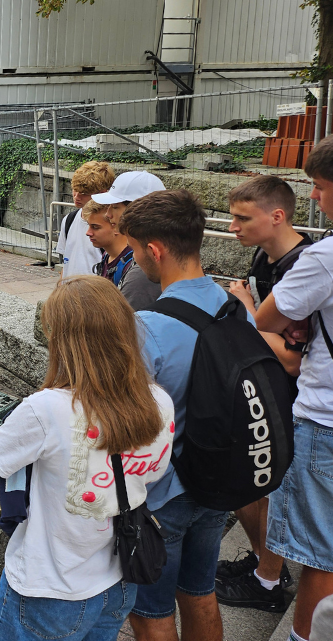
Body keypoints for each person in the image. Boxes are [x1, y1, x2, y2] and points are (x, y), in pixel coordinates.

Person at [0, 275, 175, 641]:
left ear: (63, 342)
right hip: (118, 580)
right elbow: (152, 473)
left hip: (48, 587)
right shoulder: (159, 401)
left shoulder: (46, 409)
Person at [117, 190, 238, 641]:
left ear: (155, 250)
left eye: (133, 248)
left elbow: (127, 419)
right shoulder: (232, 305)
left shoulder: (148, 326)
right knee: (200, 592)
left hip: (164, 494)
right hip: (216, 478)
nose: (133, 258)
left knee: (151, 612)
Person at [213, 175, 308, 612]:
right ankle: (261, 564)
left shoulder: (300, 267)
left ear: (277, 216)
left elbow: (292, 358)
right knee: (248, 485)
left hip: (289, 398)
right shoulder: (265, 257)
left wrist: (248, 312)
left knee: (265, 487)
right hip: (264, 389)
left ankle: (268, 581)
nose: (232, 226)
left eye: (241, 218)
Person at [255, 136, 333, 641]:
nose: (316, 199)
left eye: (322, 188)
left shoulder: (325, 257)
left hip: (326, 421)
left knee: (321, 553)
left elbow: (267, 316)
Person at [84, 199, 161, 311]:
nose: (88, 232)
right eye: (88, 225)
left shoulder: (136, 266)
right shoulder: (107, 255)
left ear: (116, 227)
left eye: (96, 227)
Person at [57, 161, 114, 279]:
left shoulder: (112, 225)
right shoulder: (68, 220)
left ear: (102, 193)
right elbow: (67, 265)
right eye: (74, 190)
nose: (76, 197)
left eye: (84, 193)